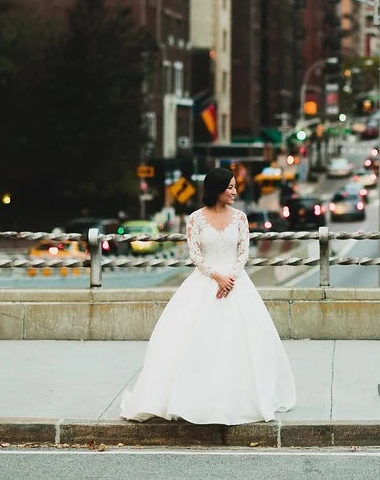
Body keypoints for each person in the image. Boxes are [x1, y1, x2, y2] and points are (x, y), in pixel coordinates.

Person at [121, 167, 296, 425]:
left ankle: (237, 399)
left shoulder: (240, 218)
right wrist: (217, 277)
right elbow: (195, 255)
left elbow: (243, 253)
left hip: (236, 283)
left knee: (240, 343)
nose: (235, 192)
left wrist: (230, 278)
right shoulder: (196, 219)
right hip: (205, 282)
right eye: (230, 188)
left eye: (235, 187)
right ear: (217, 189)